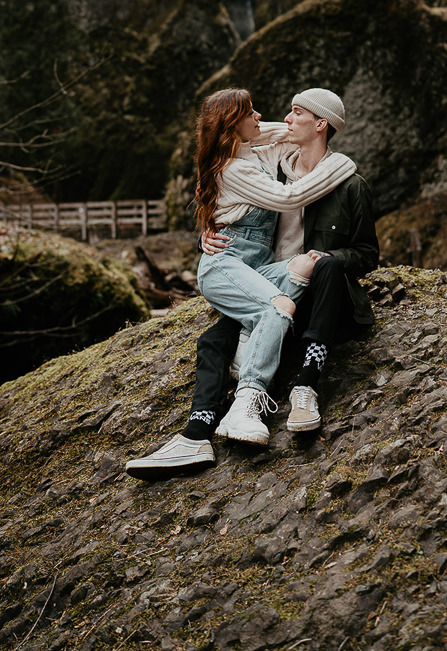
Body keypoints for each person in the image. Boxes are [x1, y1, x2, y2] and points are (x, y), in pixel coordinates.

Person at [126, 87, 357, 480]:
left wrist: (256, 125)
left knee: (306, 267)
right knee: (279, 307)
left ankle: (252, 338)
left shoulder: (254, 152)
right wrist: (344, 163)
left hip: (259, 266)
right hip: (226, 265)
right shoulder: (235, 167)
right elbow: (289, 197)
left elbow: (279, 133)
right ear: (234, 126)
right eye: (252, 112)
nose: (266, 118)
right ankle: (246, 401)